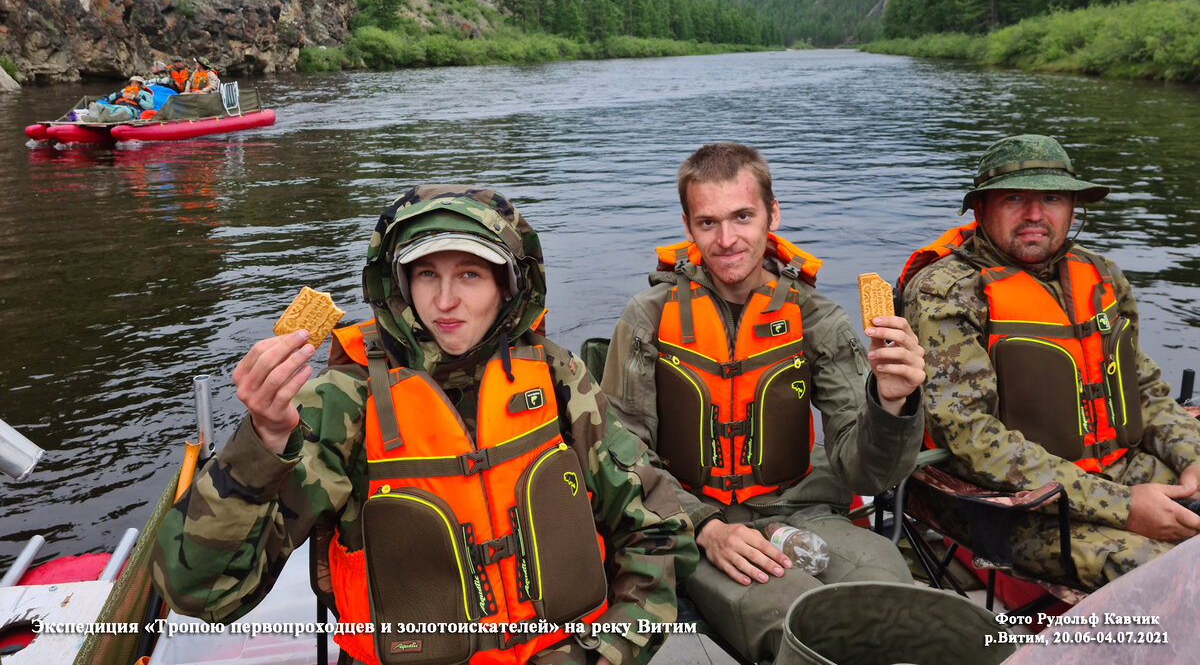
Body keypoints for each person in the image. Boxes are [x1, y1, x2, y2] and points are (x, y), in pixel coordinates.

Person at [152, 185, 696, 665]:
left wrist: (609, 653)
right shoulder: (344, 403)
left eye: (471, 274)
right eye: (426, 274)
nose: (445, 300)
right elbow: (205, 593)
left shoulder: (559, 379)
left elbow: (655, 531)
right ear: (398, 285)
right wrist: (263, 443)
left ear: (509, 286)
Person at [601, 142, 926, 664]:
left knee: (895, 602)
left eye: (743, 216)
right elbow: (621, 453)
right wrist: (705, 528)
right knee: (802, 623)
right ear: (687, 225)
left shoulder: (820, 317)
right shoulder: (646, 317)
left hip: (804, 509)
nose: (726, 240)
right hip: (689, 523)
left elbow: (867, 474)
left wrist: (891, 406)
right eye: (707, 223)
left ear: (773, 214)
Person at [898, 134, 1200, 590]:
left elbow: (1145, 391)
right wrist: (1124, 506)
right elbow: (971, 439)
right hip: (1014, 508)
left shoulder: (1102, 275)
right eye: (1015, 198)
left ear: (1072, 207)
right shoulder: (946, 294)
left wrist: (1191, 456)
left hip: (1123, 470)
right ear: (981, 210)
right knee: (1175, 578)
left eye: (1052, 198)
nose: (1035, 215)